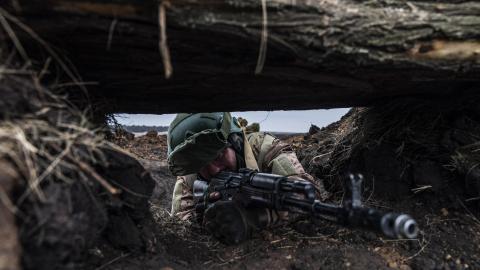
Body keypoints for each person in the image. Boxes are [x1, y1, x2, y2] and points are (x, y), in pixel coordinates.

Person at [167, 112, 327, 244]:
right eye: (203, 165)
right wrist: (206, 216)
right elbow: (179, 226)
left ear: (235, 142)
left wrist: (254, 217)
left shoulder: (265, 148)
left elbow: (307, 194)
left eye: (218, 156)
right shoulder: (189, 174)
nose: (214, 170)